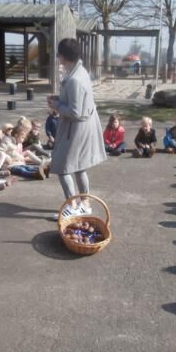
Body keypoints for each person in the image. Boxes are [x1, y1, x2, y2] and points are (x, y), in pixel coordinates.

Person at [47, 38, 107, 218]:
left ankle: (72, 206)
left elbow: (75, 111)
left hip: (76, 129)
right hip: (83, 126)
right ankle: (85, 204)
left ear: (63, 56)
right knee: (79, 167)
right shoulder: (80, 71)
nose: (58, 58)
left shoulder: (74, 79)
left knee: (62, 167)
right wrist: (60, 99)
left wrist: (56, 105)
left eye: (58, 54)